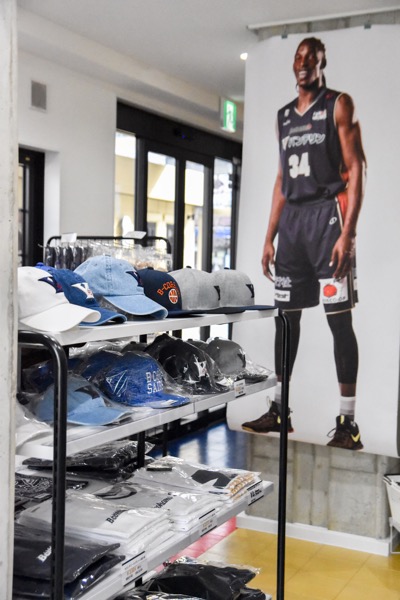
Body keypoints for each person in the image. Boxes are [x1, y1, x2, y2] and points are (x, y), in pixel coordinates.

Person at [242, 37, 367, 450]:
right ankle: (280, 410)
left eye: (311, 58)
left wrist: (348, 234)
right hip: (293, 226)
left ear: (321, 62)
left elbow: (355, 167)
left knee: (338, 320)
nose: (303, 64)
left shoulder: (338, 105)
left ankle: (348, 422)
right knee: (286, 320)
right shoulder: (283, 116)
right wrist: (269, 236)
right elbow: (282, 179)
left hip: (327, 220)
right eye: (298, 58)